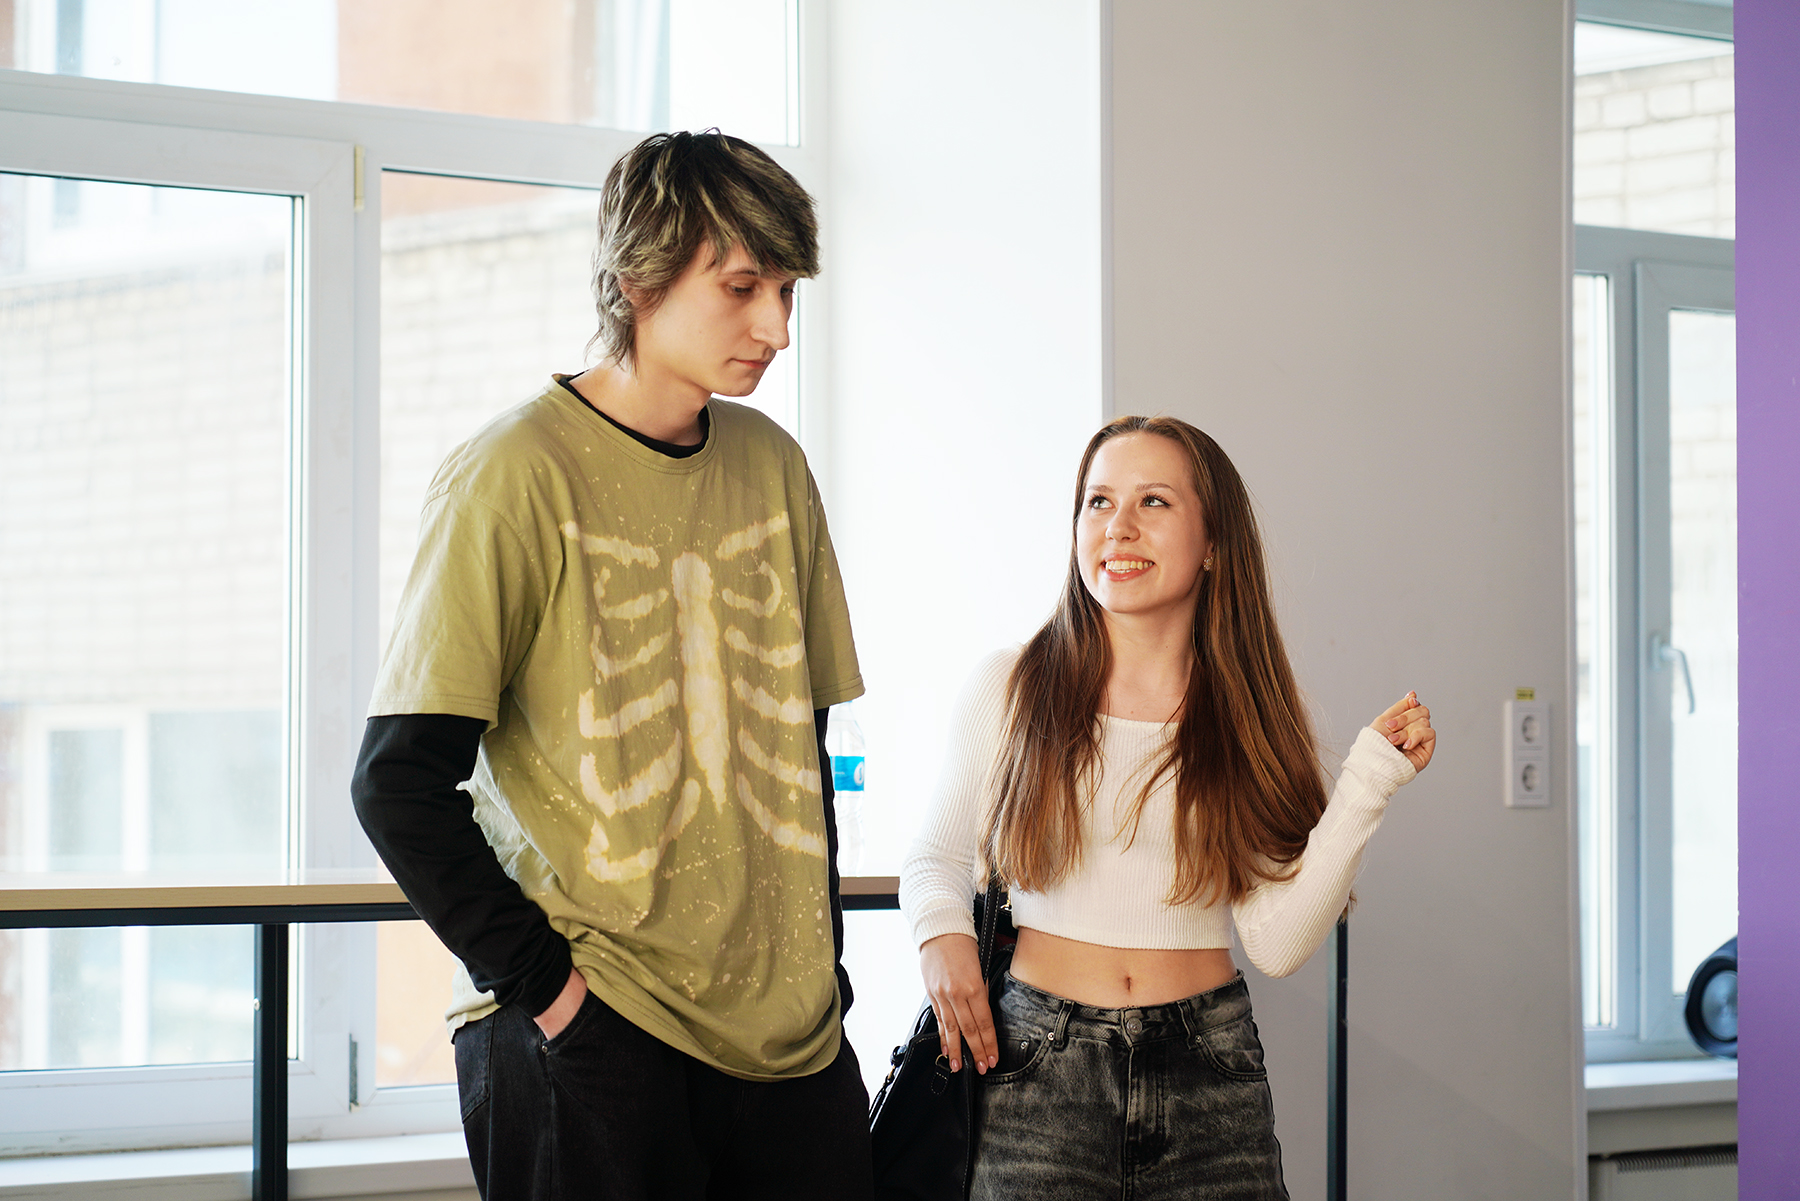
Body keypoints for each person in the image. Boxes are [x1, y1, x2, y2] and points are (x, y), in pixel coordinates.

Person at [351, 131, 871, 1201]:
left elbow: (801, 749)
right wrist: (552, 997)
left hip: (791, 1043)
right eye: (742, 287)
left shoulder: (775, 466)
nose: (777, 327)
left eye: (787, 291)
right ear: (639, 280)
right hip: (597, 1028)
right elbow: (396, 782)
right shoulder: (512, 474)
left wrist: (821, 972)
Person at [900, 414, 1436, 1200]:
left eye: (1153, 501)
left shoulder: (1244, 714)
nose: (1117, 526)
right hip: (1034, 1068)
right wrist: (941, 941)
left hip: (1208, 1069)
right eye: (1098, 501)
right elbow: (935, 859)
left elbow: (1275, 941)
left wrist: (1368, 782)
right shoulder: (1011, 685)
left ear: (1214, 542)